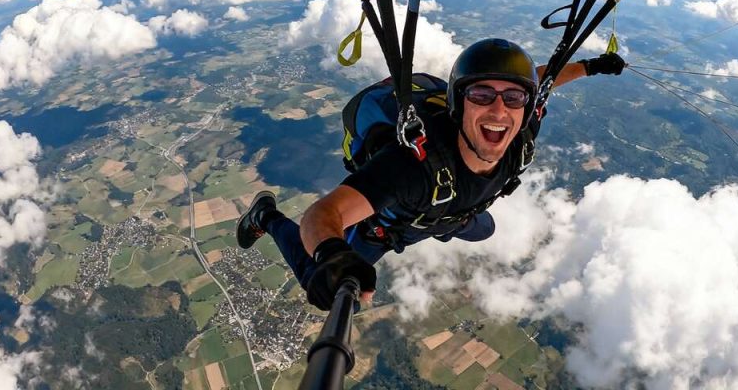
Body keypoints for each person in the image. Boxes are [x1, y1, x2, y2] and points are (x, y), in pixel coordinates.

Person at [236, 38, 625, 310]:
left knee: (484, 228)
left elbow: (544, 78)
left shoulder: (522, 132)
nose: (499, 110)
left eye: (513, 98)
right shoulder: (411, 168)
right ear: (458, 103)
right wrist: (333, 253)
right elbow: (325, 214)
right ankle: (265, 216)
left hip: (452, 212)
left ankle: (449, 220)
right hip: (394, 225)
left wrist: (592, 67)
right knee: (327, 284)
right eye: (481, 95)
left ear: (525, 106)